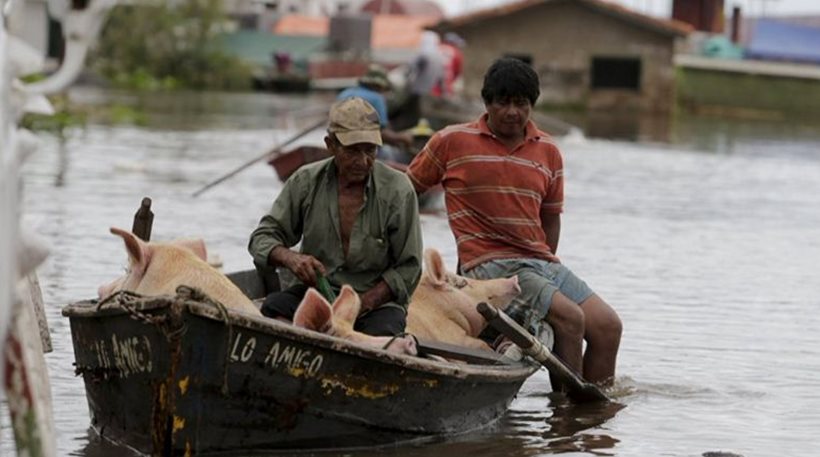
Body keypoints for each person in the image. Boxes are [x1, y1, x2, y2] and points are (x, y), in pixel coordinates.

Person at [406, 57, 622, 386]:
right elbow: (407, 190)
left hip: (539, 262)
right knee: (570, 319)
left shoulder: (548, 150)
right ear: (487, 103)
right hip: (489, 265)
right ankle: (567, 417)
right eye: (503, 102)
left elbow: (550, 218)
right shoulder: (452, 142)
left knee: (608, 326)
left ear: (531, 106)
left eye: (521, 104)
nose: (512, 112)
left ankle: (595, 409)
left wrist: (546, 275)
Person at [249, 97, 423, 336]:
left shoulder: (398, 190)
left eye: (370, 150)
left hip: (374, 305)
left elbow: (409, 268)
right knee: (273, 308)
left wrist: (358, 305)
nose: (363, 161)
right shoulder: (305, 181)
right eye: (352, 151)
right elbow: (262, 238)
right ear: (331, 145)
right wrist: (291, 258)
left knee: (385, 337)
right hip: (316, 296)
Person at [337, 64, 413, 151]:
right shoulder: (376, 99)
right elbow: (381, 133)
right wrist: (401, 137)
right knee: (388, 152)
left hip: (340, 146)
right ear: (379, 86)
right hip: (361, 149)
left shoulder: (344, 94)